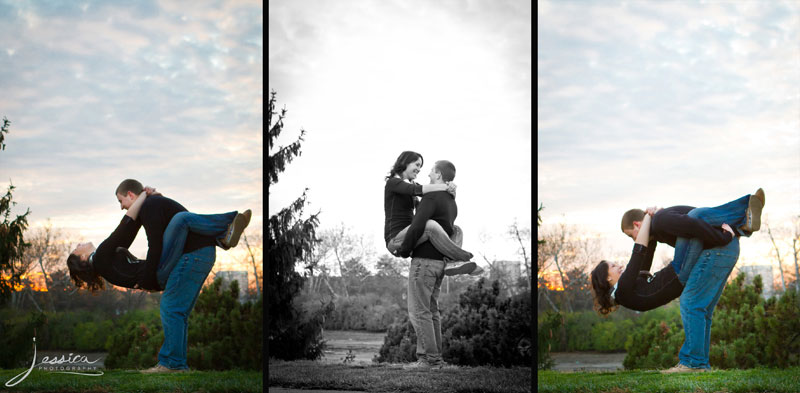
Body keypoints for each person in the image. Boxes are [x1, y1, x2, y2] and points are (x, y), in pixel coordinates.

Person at [67, 179, 251, 373]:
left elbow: (130, 229)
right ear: (83, 258)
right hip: (155, 273)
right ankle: (224, 229)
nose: (80, 244)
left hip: (155, 273)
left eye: (122, 201)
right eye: (77, 248)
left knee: (175, 309)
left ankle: (175, 364)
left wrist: (148, 199)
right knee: (182, 220)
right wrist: (145, 195)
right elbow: (125, 226)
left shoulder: (104, 260)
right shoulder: (101, 256)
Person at [589, 189, 765, 373]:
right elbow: (639, 250)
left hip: (679, 271)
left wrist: (653, 222)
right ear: (608, 277)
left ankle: (696, 363)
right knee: (688, 218)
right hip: (678, 271)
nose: (618, 265)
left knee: (684, 219)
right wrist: (649, 217)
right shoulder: (623, 289)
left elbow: (645, 254)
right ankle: (741, 216)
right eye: (613, 266)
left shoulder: (627, 289)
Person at [401, 160, 463, 369]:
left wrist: (404, 250)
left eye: (430, 170)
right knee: (431, 311)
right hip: (439, 264)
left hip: (424, 263)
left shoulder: (432, 196)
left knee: (419, 311)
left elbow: (418, 225)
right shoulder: (451, 202)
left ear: (437, 174)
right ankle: (435, 359)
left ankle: (429, 360)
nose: (427, 174)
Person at [384, 151, 482, 276]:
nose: (419, 169)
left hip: (411, 236)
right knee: (430, 225)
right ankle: (462, 258)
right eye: (417, 165)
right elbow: (417, 190)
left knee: (456, 230)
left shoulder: (412, 185)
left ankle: (452, 262)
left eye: (420, 166)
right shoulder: (393, 183)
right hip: (396, 240)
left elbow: (426, 201)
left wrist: (451, 190)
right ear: (405, 162)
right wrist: (445, 187)